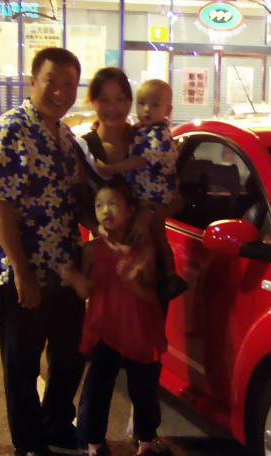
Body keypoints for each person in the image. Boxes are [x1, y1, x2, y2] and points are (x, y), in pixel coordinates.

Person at [0, 47, 86, 456]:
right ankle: (28, 442)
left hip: (64, 267)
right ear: (32, 82)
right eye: (51, 82)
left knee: (70, 353)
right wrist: (22, 273)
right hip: (22, 269)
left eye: (68, 84)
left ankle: (56, 424)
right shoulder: (10, 129)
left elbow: (76, 200)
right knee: (23, 361)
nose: (60, 91)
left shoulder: (65, 137)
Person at [59, 182, 167, 456]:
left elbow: (150, 294)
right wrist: (74, 279)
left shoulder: (144, 247)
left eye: (114, 204)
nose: (106, 210)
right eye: (99, 205)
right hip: (104, 328)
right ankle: (94, 447)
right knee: (98, 387)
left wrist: (133, 278)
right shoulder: (91, 250)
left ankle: (146, 446)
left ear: (130, 211)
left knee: (143, 389)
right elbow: (86, 291)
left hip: (139, 327)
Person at [94, 78, 183, 301]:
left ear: (167, 110)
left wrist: (112, 168)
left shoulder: (159, 134)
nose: (146, 109)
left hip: (155, 194)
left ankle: (170, 276)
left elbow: (140, 160)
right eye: (142, 103)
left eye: (154, 104)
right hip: (144, 194)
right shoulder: (141, 130)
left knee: (157, 235)